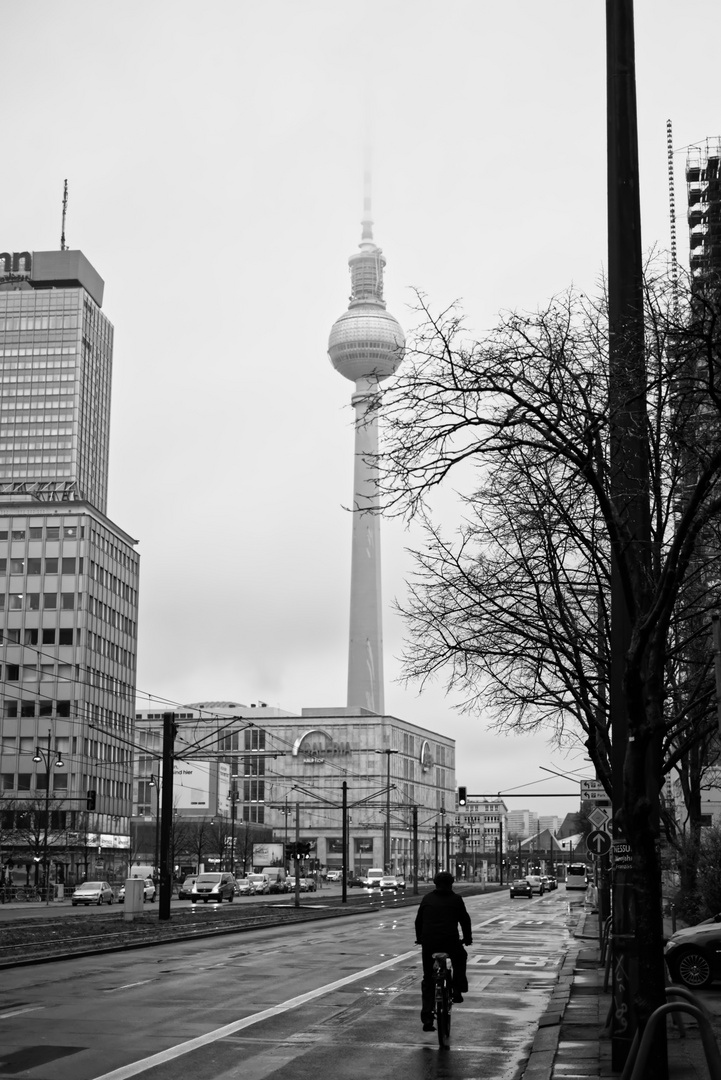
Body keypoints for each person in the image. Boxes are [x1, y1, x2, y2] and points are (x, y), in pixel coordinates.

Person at [414, 870, 472, 1031]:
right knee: (460, 957)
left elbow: (418, 921)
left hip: (429, 944)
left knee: (428, 979)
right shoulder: (456, 899)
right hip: (450, 942)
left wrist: (420, 938)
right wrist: (467, 939)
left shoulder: (427, 898)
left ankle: (427, 1019)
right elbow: (465, 921)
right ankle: (457, 989)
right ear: (451, 883)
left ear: (435, 883)